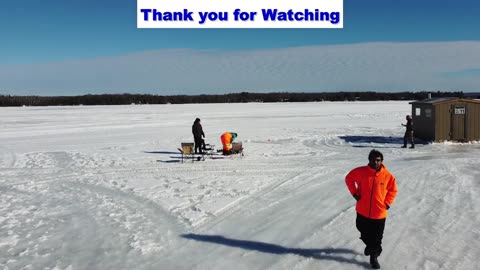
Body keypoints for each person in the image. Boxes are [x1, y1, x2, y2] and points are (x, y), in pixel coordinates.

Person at [345, 149, 398, 269]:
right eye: (373, 160)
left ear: (382, 161)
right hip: (362, 210)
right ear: (369, 160)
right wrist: (354, 193)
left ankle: (373, 257)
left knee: (377, 238)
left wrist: (387, 203)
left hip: (379, 213)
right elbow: (349, 178)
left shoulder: (387, 176)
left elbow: (393, 190)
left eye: (378, 160)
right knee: (362, 230)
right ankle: (371, 246)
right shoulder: (361, 171)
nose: (375, 162)